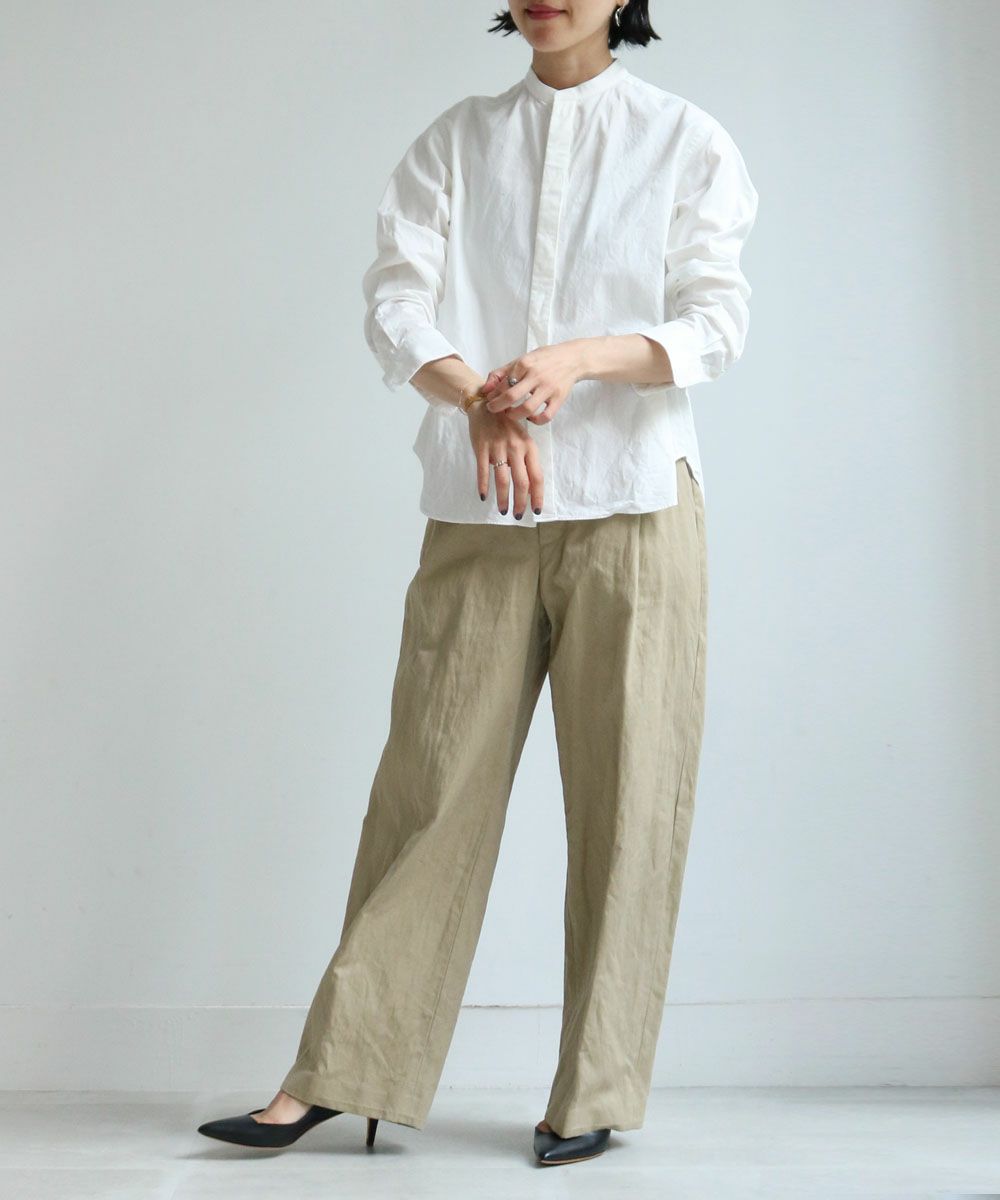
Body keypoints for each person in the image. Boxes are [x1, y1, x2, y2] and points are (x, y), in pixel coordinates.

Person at [197, 0, 758, 1168]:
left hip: (635, 505)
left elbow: (716, 322)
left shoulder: (685, 139)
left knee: (631, 802)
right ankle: (340, 1073)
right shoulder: (454, 139)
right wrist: (477, 400)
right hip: (480, 506)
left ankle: (592, 1091)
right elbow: (395, 303)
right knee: (428, 787)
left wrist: (574, 358)